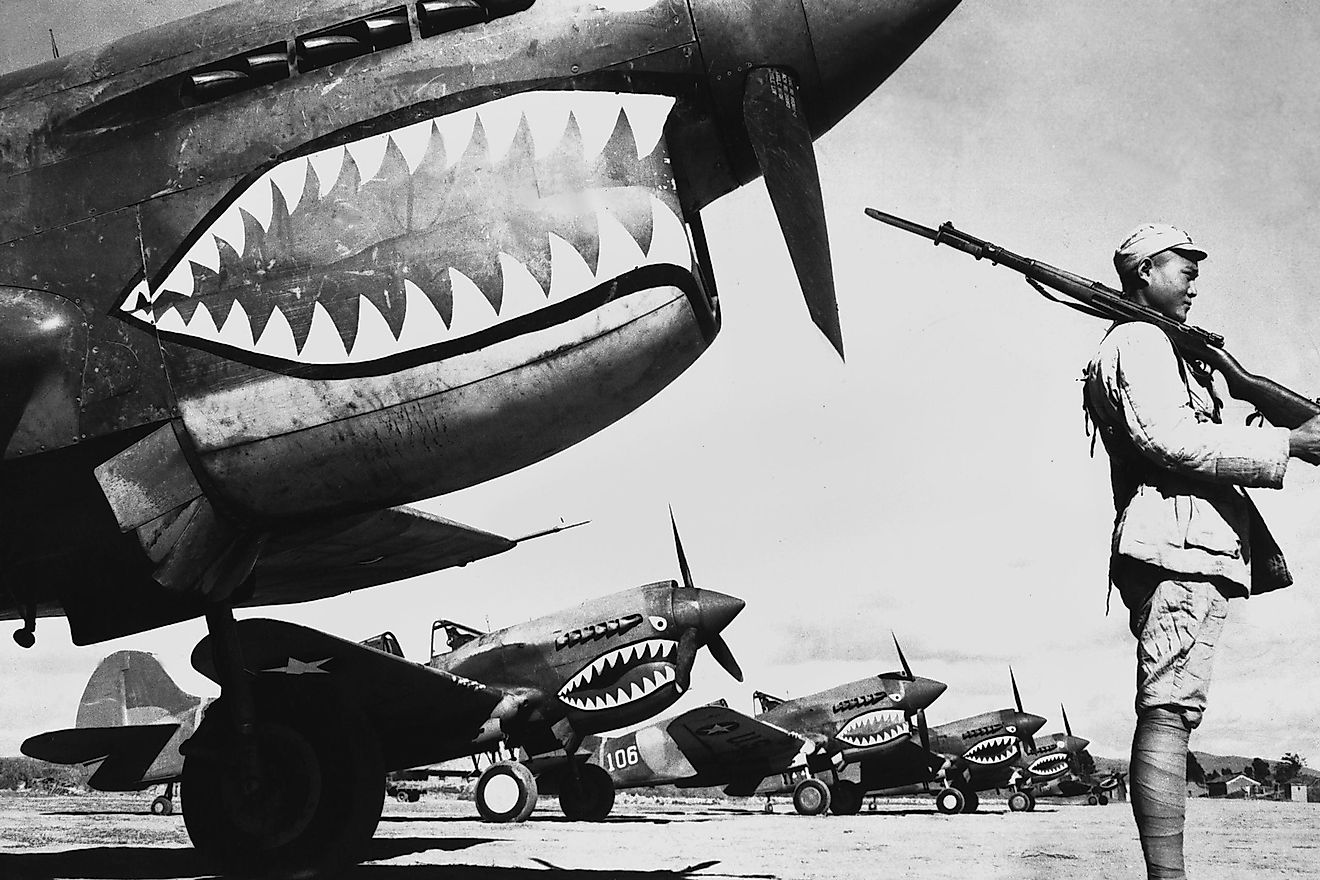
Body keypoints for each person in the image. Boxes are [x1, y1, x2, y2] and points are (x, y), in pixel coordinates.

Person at [1082, 224, 1320, 880]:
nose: (1193, 281)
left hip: (1184, 545)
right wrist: (1288, 446)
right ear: (1144, 273)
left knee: (1174, 707)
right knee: (1169, 709)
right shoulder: (1140, 339)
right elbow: (1173, 441)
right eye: (1181, 269)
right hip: (1177, 547)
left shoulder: (1160, 345)